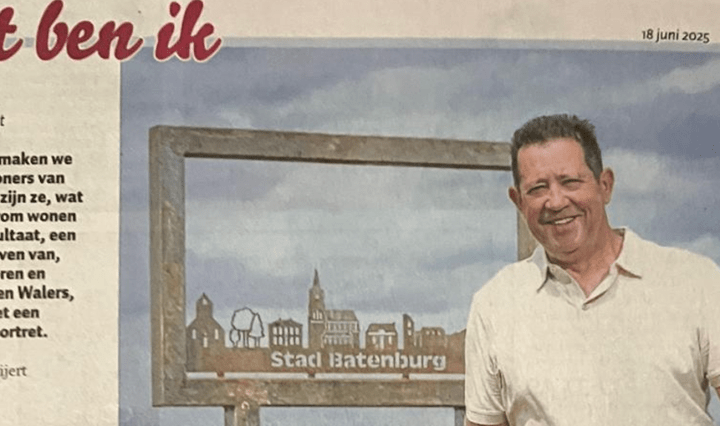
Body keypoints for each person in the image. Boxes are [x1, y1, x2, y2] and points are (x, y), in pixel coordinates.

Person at [464, 114, 720, 426]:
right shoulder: (495, 305)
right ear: (518, 201)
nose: (555, 201)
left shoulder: (694, 281)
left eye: (570, 182)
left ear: (605, 185)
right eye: (538, 188)